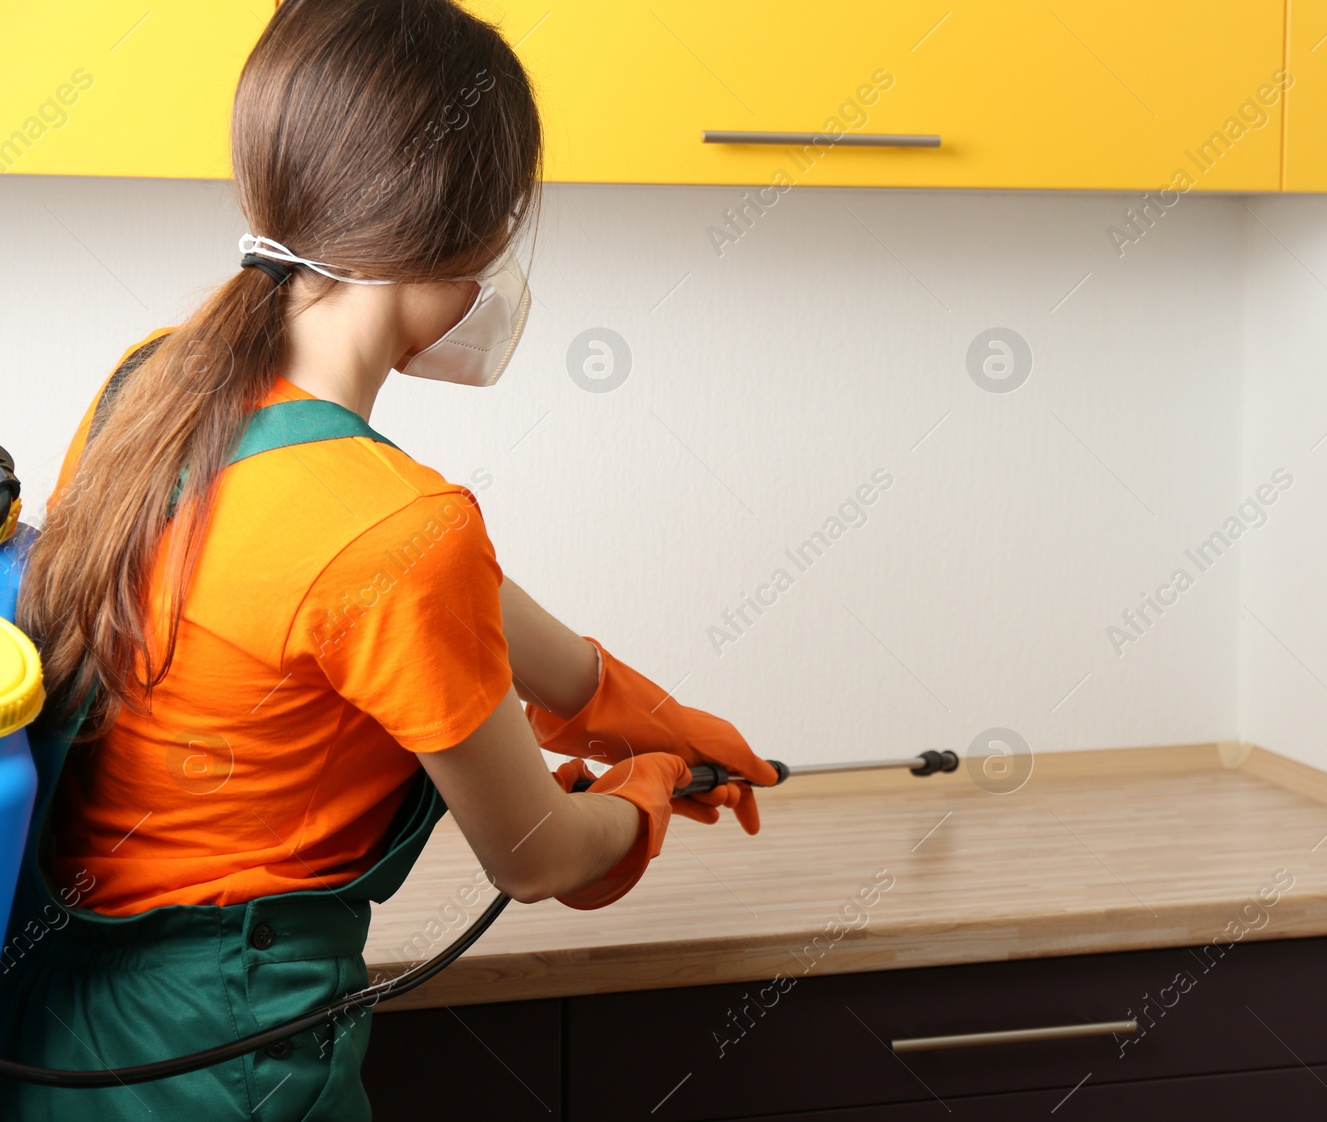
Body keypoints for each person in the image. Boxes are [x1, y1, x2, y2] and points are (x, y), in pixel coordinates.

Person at [0, 1, 775, 1117]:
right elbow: (539, 858)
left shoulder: (156, 386)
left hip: (60, 1029)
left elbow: (469, 615)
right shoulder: (398, 526)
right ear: (462, 233)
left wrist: (656, 721)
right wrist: (645, 796)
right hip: (228, 1065)